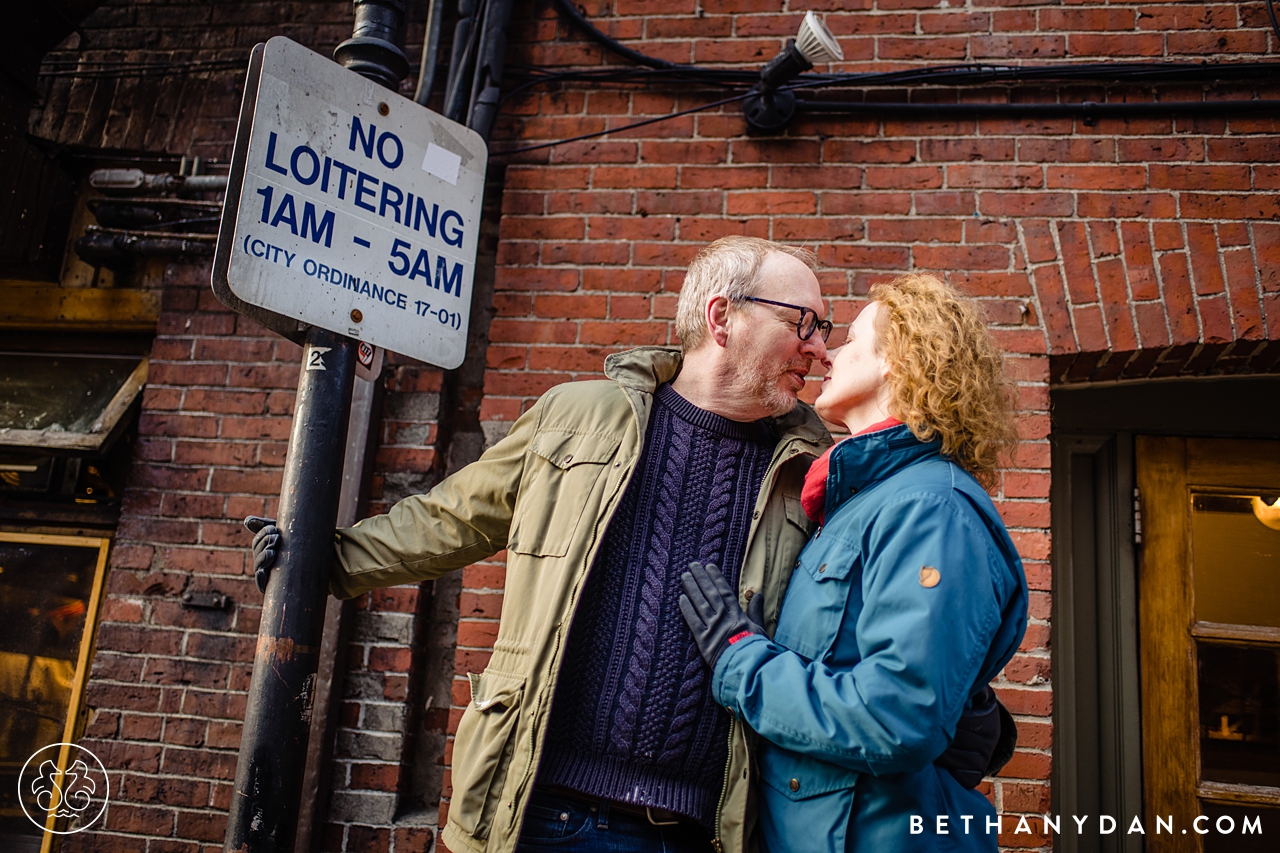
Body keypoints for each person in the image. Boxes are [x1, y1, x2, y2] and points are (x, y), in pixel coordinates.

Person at [248, 240, 1002, 853]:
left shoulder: (813, 473)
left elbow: (868, 624)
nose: (818, 348)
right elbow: (449, 520)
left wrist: (973, 711)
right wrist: (316, 561)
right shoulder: (582, 417)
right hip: (538, 807)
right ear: (722, 317)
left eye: (828, 330)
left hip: (702, 828)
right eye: (803, 322)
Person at [679, 273, 1027, 853]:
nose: (826, 354)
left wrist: (743, 661)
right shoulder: (865, 501)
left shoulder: (930, 508)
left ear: (898, 360)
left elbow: (896, 719)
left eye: (852, 339)